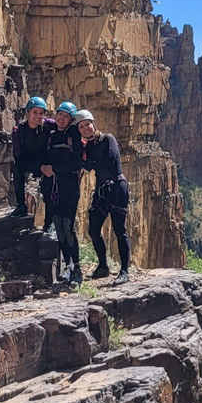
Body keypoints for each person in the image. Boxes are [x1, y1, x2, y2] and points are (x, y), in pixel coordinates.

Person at [76, 109, 132, 286]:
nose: (86, 129)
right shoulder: (90, 146)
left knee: (119, 229)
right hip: (102, 190)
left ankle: (124, 271)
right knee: (94, 229)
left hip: (116, 188)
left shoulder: (108, 139)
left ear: (94, 124)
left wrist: (84, 161)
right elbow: (90, 164)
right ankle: (103, 266)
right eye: (82, 127)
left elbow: (106, 160)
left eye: (87, 125)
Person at [41, 101, 83, 285]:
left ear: (70, 120)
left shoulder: (73, 135)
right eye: (60, 114)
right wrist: (43, 168)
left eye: (66, 116)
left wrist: (55, 170)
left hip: (69, 188)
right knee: (58, 226)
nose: (61, 118)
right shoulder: (50, 136)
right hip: (52, 188)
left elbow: (76, 163)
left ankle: (77, 269)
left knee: (68, 227)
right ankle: (68, 265)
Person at [10, 96, 50, 217]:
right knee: (17, 170)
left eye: (41, 113)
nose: (38, 116)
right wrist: (39, 166)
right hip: (28, 161)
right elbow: (18, 156)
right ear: (28, 113)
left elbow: (64, 126)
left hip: (46, 161)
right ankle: (21, 205)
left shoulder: (47, 125)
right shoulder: (19, 131)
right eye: (34, 112)